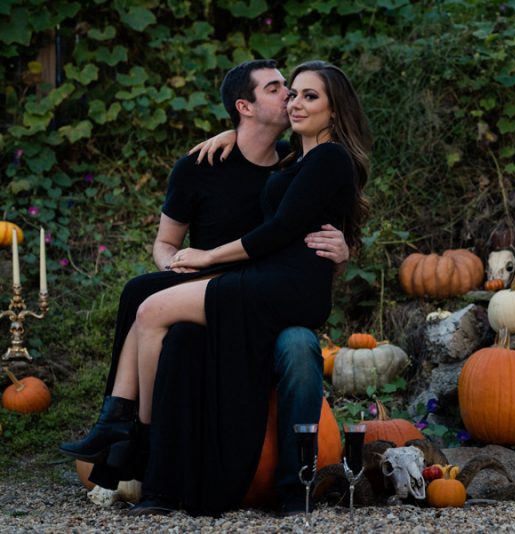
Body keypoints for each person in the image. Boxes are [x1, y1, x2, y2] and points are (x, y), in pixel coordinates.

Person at [59, 59, 369, 517]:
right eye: (285, 91)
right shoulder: (293, 156)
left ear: (334, 109)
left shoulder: (324, 156)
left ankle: (136, 435)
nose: (291, 99)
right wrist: (234, 138)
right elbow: (291, 204)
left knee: (158, 312)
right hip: (261, 283)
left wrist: (207, 257)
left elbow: (286, 227)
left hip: (278, 289)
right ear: (244, 107)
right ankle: (124, 430)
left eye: (305, 94)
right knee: (144, 299)